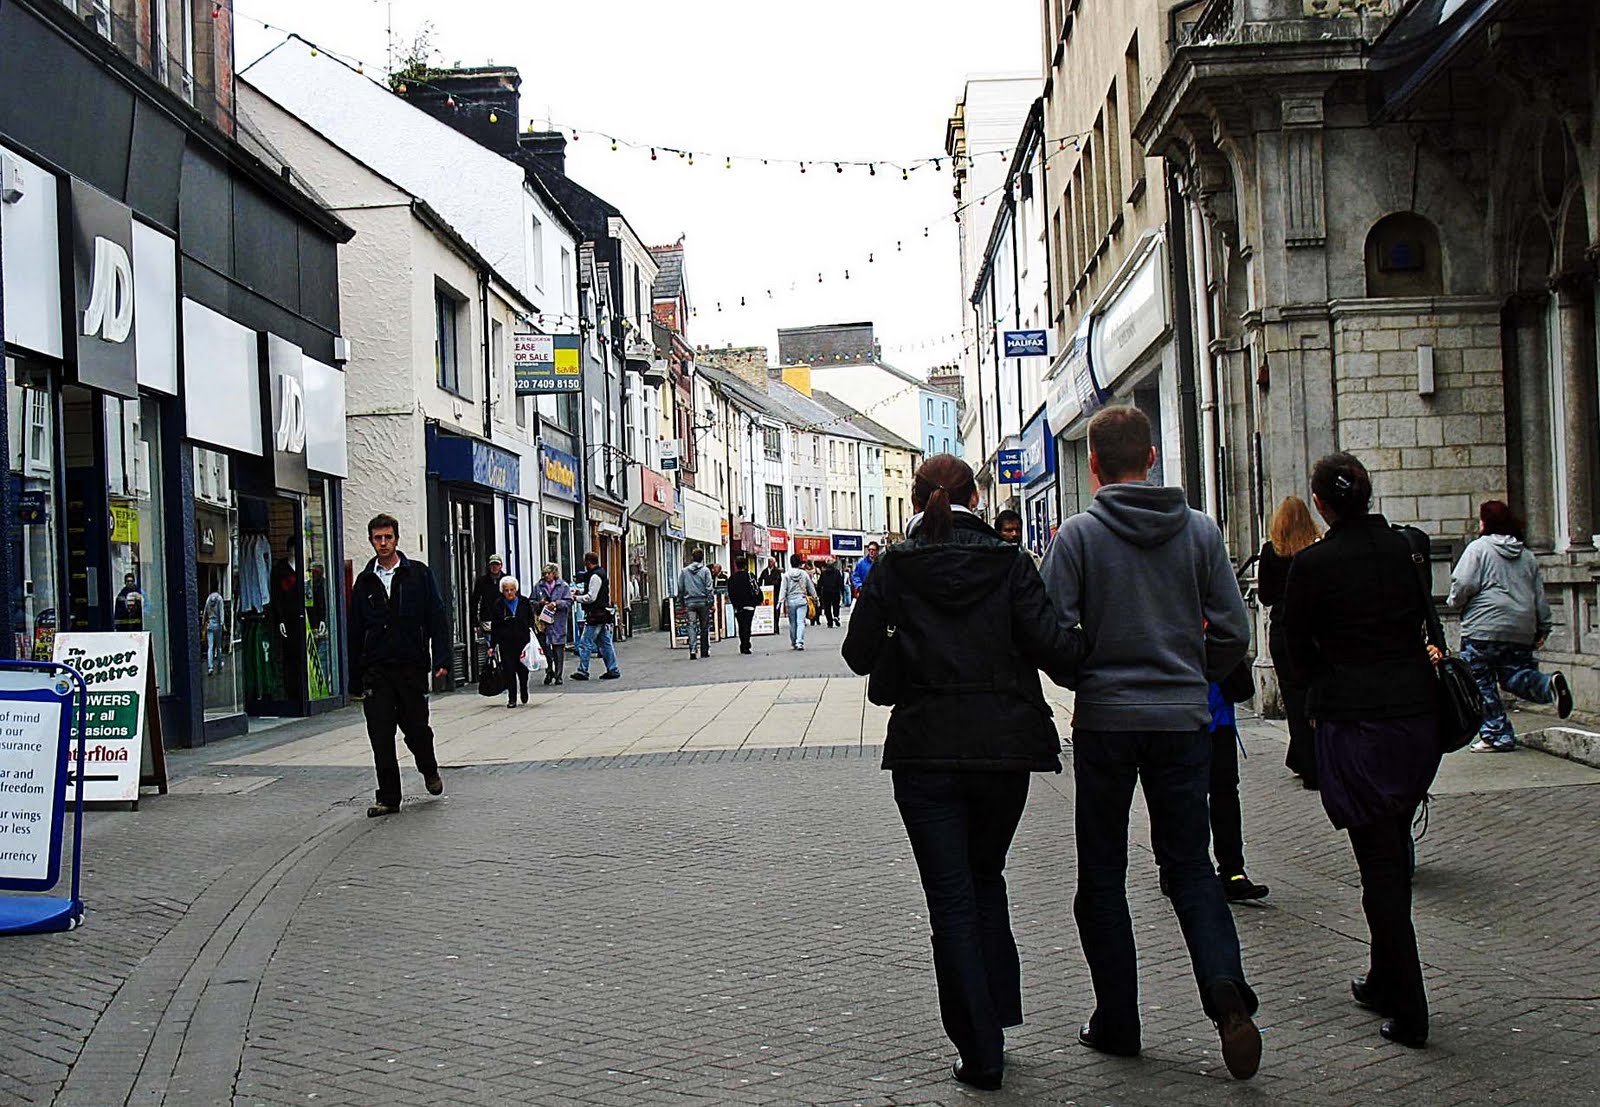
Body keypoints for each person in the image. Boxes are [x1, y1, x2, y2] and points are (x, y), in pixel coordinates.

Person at [843, 454, 1083, 1092]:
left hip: (924, 751)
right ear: (976, 498)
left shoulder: (897, 566)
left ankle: (980, 1050)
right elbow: (1054, 648)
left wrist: (901, 637)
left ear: (916, 501)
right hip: (1003, 750)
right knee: (986, 876)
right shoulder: (1009, 562)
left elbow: (858, 654)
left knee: (950, 898)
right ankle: (996, 1013)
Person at [1038, 405, 1260, 1079]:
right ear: (1153, 457)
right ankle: (1225, 989)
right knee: (1190, 865)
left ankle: (1118, 1018)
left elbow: (1053, 634)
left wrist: (1088, 674)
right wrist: (1192, 672)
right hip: (1183, 722)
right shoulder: (1199, 531)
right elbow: (1235, 631)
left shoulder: (1077, 537)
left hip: (1107, 722)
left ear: (1094, 465)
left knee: (1102, 873)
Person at [1281, 452, 1443, 1049]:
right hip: (1416, 720)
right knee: (1391, 846)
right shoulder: (1406, 550)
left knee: (1379, 865)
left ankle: (1410, 1004)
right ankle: (1383, 975)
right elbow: (1425, 622)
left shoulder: (1314, 565)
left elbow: (1294, 652)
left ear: (1321, 504)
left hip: (1357, 725)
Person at [1448, 499, 1574, 751]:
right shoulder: (1526, 555)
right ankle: (1546, 686)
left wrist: (1454, 601)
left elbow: (1463, 583)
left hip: (1483, 626)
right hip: (1520, 627)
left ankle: (1497, 735)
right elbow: (1538, 596)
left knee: (1479, 681)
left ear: (1486, 522)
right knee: (1514, 675)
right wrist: (1543, 627)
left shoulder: (1478, 549)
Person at [347, 513, 450, 818]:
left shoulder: (418, 574)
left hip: (410, 666)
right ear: (371, 541)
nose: (383, 543)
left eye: (387, 537)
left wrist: (442, 658)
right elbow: (355, 631)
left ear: (396, 539)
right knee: (380, 735)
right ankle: (389, 797)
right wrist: (355, 678)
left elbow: (436, 617)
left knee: (416, 729)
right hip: (376, 670)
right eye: (377, 538)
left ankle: (428, 768)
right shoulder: (365, 581)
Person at [1257, 496, 1322, 787]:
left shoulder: (1271, 552)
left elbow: (1265, 595)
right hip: (1313, 629)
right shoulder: (1316, 549)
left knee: (1294, 699)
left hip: (1283, 630)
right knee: (1314, 692)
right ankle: (1310, 757)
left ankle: (1306, 762)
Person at [569, 552, 620, 681]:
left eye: (585, 562)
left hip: (596, 615)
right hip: (603, 614)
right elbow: (594, 591)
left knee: (585, 643)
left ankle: (583, 671)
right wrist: (580, 591)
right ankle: (613, 669)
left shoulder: (595, 576)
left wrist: (576, 598)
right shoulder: (600, 574)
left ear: (588, 562)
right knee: (605, 643)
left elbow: (591, 597)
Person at [490, 576, 534, 707]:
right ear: (502, 591)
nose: (509, 592)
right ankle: (512, 698)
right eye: (506, 590)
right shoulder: (498, 604)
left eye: (512, 589)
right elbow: (495, 626)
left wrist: (530, 631)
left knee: (523, 670)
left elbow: (530, 618)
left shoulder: (524, 602)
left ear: (516, 590)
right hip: (506, 642)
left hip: (522, 641)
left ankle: (524, 689)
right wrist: (492, 645)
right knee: (509, 670)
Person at [529, 563, 573, 685]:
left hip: (558, 622)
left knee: (558, 649)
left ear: (554, 573)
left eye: (548, 573)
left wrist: (556, 603)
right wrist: (540, 603)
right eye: (544, 573)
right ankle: (549, 671)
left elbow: (569, 601)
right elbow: (531, 601)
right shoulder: (538, 586)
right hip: (543, 623)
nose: (546, 575)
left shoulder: (563, 586)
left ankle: (558, 675)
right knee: (546, 649)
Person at [678, 547, 715, 659]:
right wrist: (711, 602)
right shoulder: (705, 571)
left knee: (691, 625)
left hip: (690, 602)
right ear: (702, 558)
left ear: (692, 557)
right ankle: (704, 650)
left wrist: (682, 602)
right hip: (703, 602)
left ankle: (693, 650)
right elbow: (709, 587)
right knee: (704, 626)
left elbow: (680, 588)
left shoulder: (684, 571)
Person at [777, 554, 818, 650]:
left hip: (790, 601)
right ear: (799, 563)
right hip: (802, 600)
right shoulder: (804, 574)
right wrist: (815, 598)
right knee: (801, 622)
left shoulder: (786, 575)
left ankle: (793, 641)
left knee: (792, 623)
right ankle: (799, 642)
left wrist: (780, 601)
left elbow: (783, 589)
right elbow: (810, 587)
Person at [727, 562, 762, 654]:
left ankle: (743, 643)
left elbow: (730, 593)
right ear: (745, 566)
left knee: (741, 625)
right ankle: (746, 644)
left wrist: (734, 604)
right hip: (749, 604)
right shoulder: (750, 576)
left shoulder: (732, 578)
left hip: (738, 606)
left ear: (736, 566)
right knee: (747, 625)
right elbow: (756, 588)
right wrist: (758, 600)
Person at [471, 554, 506, 632]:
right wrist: (475, 621)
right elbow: (475, 601)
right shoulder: (481, 581)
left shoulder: (506, 580)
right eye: (492, 565)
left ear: (501, 566)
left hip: (503, 619)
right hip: (487, 619)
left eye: (497, 564)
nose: (494, 567)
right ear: (489, 566)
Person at [203, 587, 226, 674]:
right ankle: (219, 665)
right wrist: (222, 624)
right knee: (219, 647)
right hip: (218, 626)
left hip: (210, 625)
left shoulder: (208, 599)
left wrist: (203, 622)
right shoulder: (219, 599)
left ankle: (210, 668)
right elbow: (221, 612)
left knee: (210, 647)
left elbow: (205, 612)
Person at [817, 559, 845, 627]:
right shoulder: (837, 572)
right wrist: (842, 591)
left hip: (826, 592)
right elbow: (840, 582)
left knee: (827, 607)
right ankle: (836, 616)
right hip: (835, 591)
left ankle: (830, 622)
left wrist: (819, 593)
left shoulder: (823, 573)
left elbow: (820, 583)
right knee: (836, 605)